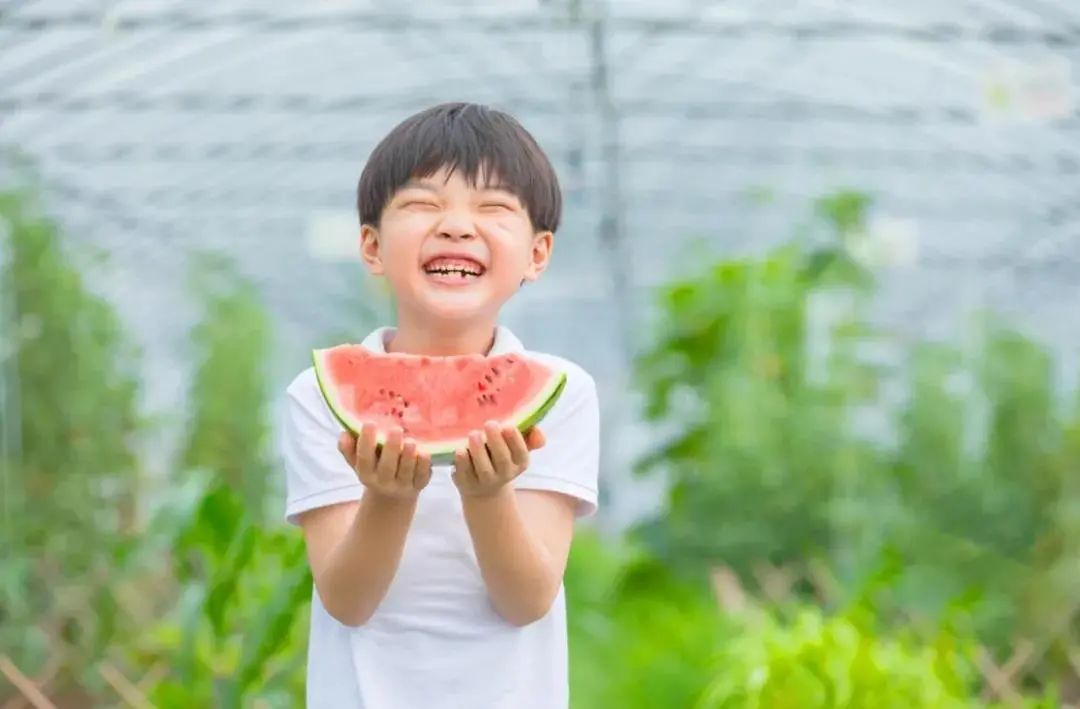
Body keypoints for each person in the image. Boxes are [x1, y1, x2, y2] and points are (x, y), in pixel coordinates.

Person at [280, 102, 601, 708]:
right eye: (423, 204)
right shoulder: (318, 397)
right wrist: (388, 496)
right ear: (372, 247)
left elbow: (526, 599)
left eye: (495, 208)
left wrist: (486, 495)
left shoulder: (564, 393)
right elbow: (347, 601)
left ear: (538, 253)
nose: (456, 226)